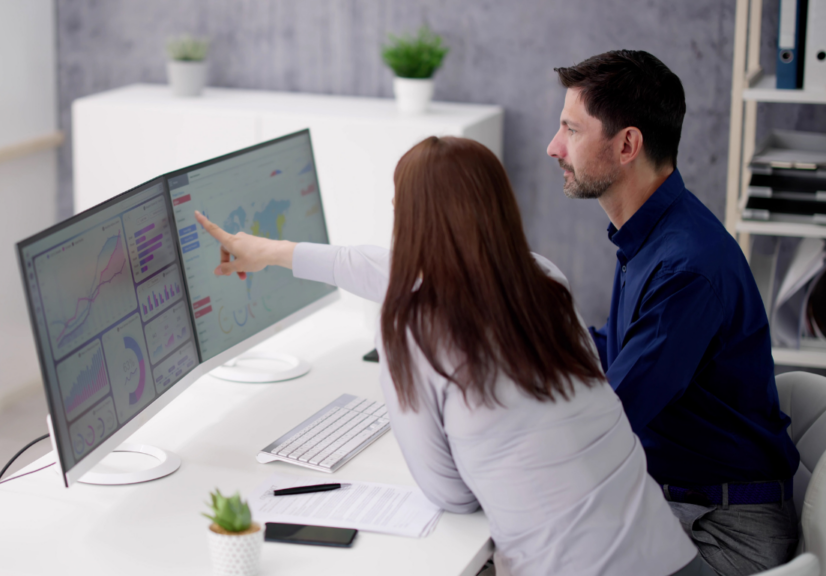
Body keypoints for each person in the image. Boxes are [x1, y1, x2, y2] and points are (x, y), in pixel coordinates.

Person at [194, 136, 710, 576]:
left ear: (412, 221)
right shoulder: (544, 279)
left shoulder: (413, 330)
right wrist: (275, 252)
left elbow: (452, 496)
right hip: (670, 556)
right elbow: (390, 266)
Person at [546, 50, 801, 575]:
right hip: (686, 502)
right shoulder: (655, 236)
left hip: (722, 531)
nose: (554, 147)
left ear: (627, 145)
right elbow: (621, 352)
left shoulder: (684, 267)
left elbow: (609, 423)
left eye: (571, 130)